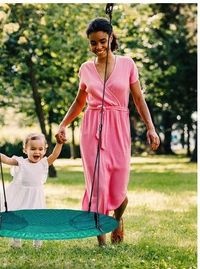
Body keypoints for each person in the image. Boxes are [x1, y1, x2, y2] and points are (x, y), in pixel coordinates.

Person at [55, 17, 160, 247]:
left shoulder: (128, 64)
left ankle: (117, 219)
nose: (98, 47)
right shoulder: (85, 68)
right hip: (92, 127)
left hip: (119, 126)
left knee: (119, 188)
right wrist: (63, 124)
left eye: (103, 41)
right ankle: (101, 241)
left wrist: (151, 128)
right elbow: (79, 102)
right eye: (93, 43)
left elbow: (138, 99)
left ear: (111, 38)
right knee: (98, 186)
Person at [0, 132, 63, 249]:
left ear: (45, 151)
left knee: (37, 219)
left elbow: (54, 155)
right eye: (33, 149)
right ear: (25, 150)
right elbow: (6, 160)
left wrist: (59, 143)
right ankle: (16, 242)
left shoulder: (43, 163)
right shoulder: (20, 162)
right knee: (18, 219)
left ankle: (37, 244)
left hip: (36, 197)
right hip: (21, 196)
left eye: (40, 149)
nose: (37, 152)